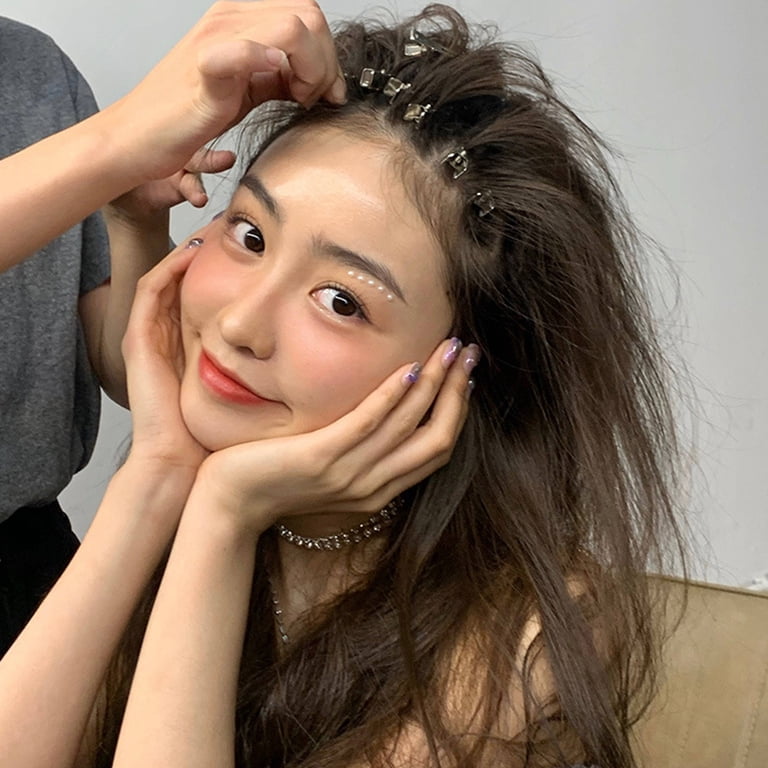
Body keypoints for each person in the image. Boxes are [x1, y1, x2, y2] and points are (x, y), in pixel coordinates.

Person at [0, 3, 687, 767]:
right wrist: (158, 477)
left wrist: (222, 518)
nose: (239, 324)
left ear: (463, 368)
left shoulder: (529, 634)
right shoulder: (175, 497)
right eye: (251, 235)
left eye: (340, 301)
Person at [0, 14, 236, 655]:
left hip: (31, 564)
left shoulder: (38, 68)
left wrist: (134, 224)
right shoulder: (107, 136)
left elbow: (126, 372)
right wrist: (115, 141)